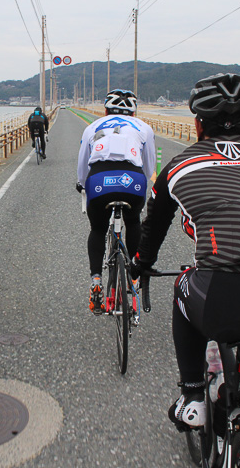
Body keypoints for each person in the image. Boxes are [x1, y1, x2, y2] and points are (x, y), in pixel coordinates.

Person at [131, 73, 240, 467]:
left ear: (197, 124)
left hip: (221, 296)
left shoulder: (180, 165)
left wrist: (140, 265)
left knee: (182, 283)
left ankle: (194, 394)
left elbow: (154, 225)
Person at [77, 89, 156, 314]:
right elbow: (148, 165)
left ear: (105, 110)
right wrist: (142, 184)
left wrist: (81, 183)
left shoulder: (93, 126)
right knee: (133, 223)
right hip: (133, 180)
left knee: (98, 228)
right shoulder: (144, 127)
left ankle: (96, 282)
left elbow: (83, 162)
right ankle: (134, 279)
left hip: (99, 179)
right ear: (133, 111)